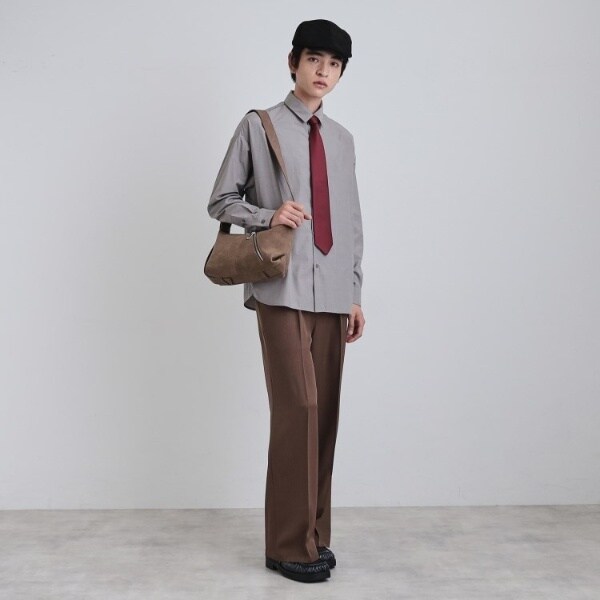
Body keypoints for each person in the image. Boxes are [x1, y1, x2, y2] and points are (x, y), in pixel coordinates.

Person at [207, 18, 365, 583]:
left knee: (324, 416)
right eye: (314, 59)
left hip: (333, 294)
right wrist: (267, 214)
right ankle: (287, 545)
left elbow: (350, 220)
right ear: (293, 62)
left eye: (334, 64)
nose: (323, 72)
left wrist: (354, 292)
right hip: (282, 286)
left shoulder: (342, 139)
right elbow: (221, 200)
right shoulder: (260, 125)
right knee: (297, 409)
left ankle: (313, 535)